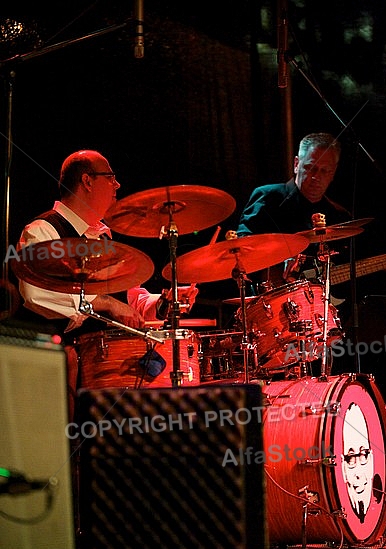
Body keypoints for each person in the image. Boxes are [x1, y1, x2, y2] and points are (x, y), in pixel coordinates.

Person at [15, 149, 198, 413]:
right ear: (87, 181)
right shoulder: (44, 230)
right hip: (55, 361)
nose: (118, 184)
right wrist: (106, 304)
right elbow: (37, 293)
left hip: (105, 365)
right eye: (111, 177)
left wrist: (165, 302)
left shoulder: (103, 237)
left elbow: (128, 298)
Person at [235, 132, 352, 374]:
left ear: (333, 173)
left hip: (319, 322)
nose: (315, 177)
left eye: (324, 171)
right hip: (272, 316)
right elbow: (242, 249)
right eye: (310, 167)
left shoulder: (339, 216)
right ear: (297, 163)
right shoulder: (268, 197)